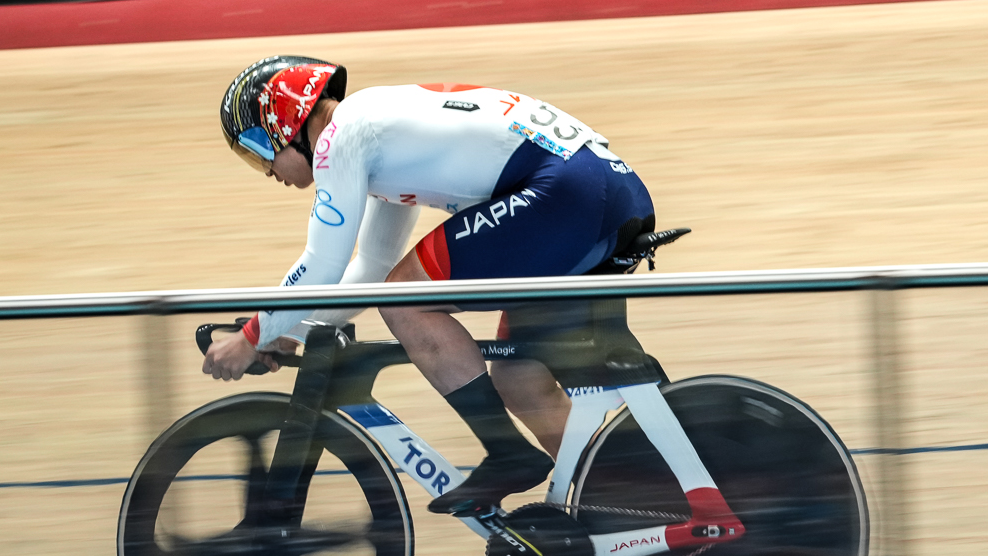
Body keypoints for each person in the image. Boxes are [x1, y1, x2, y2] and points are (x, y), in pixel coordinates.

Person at [204, 55, 655, 516]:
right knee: (520, 381)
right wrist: (293, 328)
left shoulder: (342, 137)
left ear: (284, 121)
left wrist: (252, 333)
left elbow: (324, 262)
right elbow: (372, 268)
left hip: (566, 193)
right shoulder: (374, 131)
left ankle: (507, 453)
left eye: (256, 148)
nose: (265, 171)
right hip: (597, 188)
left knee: (406, 301)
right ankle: (631, 512)